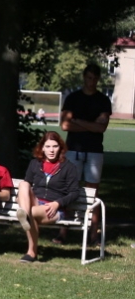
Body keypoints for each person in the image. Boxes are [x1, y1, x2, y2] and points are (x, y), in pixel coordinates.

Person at [58, 63, 110, 242]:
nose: (92, 81)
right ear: (84, 77)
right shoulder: (73, 98)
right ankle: (63, 231)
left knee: (93, 193)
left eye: (95, 78)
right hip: (73, 150)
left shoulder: (103, 100)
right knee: (69, 190)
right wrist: (90, 125)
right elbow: (65, 125)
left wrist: (78, 121)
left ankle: (93, 234)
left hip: (95, 152)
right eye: (89, 78)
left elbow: (101, 128)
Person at [16, 132, 81, 263]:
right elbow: (27, 184)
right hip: (35, 202)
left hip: (54, 209)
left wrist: (57, 203)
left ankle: (31, 251)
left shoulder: (69, 167)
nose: (51, 150)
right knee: (23, 184)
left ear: (60, 148)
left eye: (55, 146)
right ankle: (25, 214)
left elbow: (74, 193)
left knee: (32, 213)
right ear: (42, 148)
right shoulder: (35, 163)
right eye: (48, 146)